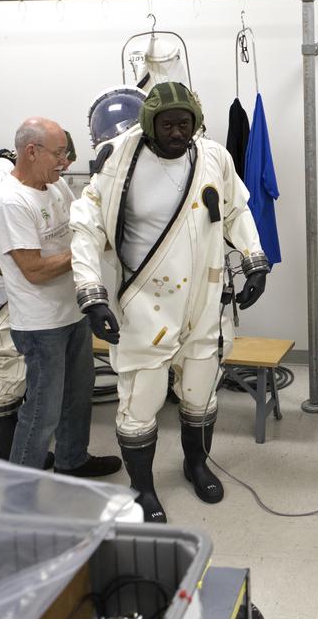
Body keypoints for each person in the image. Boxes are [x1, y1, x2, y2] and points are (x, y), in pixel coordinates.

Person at [70, 82, 269, 523]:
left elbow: (237, 210)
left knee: (200, 391)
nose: (178, 133)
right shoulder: (118, 158)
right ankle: (142, 489)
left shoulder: (214, 156)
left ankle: (196, 465)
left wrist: (255, 260)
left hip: (205, 301)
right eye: (168, 125)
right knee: (141, 400)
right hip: (145, 304)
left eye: (185, 124)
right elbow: (85, 228)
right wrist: (92, 295)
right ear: (149, 124)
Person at [0, 117, 120, 477]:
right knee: (43, 410)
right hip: (41, 324)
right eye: (59, 153)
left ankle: (72, 461)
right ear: (32, 151)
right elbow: (35, 269)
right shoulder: (10, 203)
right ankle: (20, 487)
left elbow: (79, 228)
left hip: (72, 311)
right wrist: (85, 250)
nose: (65, 161)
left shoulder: (55, 187)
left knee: (78, 397)